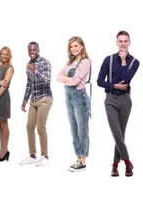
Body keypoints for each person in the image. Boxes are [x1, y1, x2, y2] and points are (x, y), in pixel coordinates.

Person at [97, 30, 140, 177]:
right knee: (116, 133)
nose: (123, 44)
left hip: (126, 100)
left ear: (129, 42)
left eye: (125, 41)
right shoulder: (107, 60)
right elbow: (99, 81)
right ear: (116, 42)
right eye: (120, 41)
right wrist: (114, 86)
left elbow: (125, 79)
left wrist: (122, 61)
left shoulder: (134, 62)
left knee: (121, 134)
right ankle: (128, 162)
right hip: (110, 100)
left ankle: (115, 165)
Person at [57, 36, 92, 172]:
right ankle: (78, 158)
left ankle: (83, 161)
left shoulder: (85, 62)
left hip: (79, 98)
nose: (74, 49)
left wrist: (65, 79)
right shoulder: (69, 62)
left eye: (76, 46)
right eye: (71, 47)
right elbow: (58, 76)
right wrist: (66, 78)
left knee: (82, 131)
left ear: (82, 46)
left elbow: (75, 81)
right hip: (68, 98)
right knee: (73, 130)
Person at [19, 41, 53, 167]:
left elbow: (47, 81)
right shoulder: (28, 64)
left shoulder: (45, 62)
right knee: (29, 127)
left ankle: (45, 156)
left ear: (38, 50)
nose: (32, 52)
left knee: (41, 127)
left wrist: (35, 72)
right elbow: (29, 84)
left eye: (34, 50)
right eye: (30, 50)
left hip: (45, 98)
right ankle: (33, 155)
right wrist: (24, 100)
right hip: (33, 100)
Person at [0, 46, 15, 162]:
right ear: (0, 55)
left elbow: (5, 85)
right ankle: (2, 149)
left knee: (4, 124)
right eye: (2, 54)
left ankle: (5, 150)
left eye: (6, 54)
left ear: (9, 56)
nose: (4, 56)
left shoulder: (10, 68)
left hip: (2, 96)